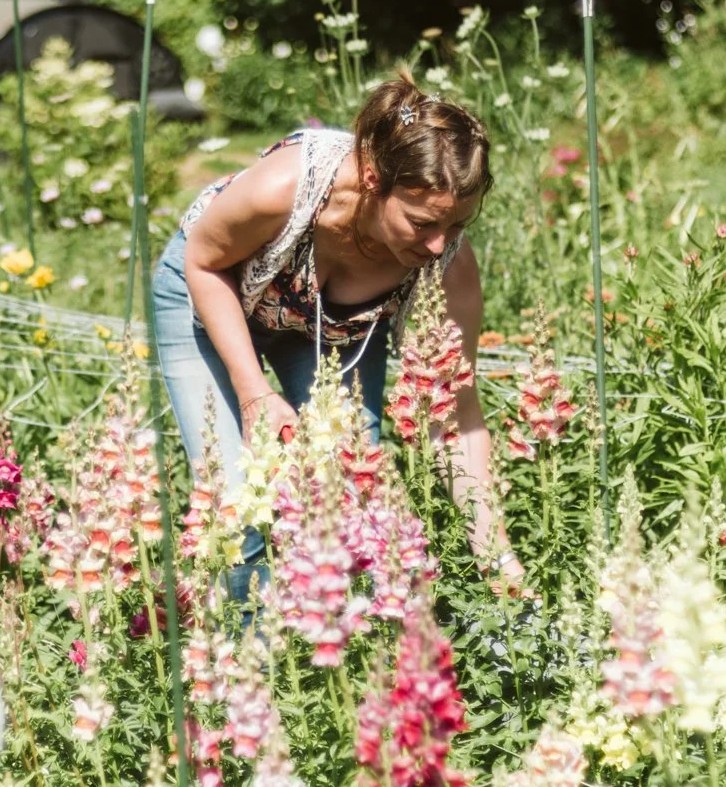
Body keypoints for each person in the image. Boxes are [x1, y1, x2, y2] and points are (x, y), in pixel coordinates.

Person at [151, 74, 497, 598]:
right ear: (375, 179)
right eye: (422, 222)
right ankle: (243, 659)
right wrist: (254, 395)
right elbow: (203, 262)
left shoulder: (448, 265)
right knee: (237, 502)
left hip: (325, 329)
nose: (437, 245)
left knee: (348, 494)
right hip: (212, 292)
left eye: (455, 226)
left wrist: (495, 554)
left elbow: (458, 416)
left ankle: (317, 646)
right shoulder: (286, 188)